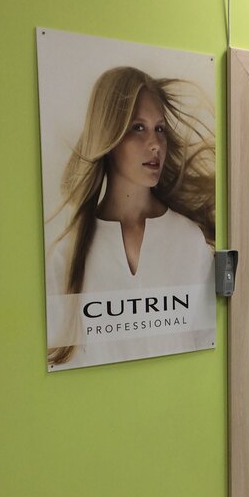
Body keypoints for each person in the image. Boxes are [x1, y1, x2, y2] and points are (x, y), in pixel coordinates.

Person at [45, 66, 216, 367]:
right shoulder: (67, 256)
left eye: (159, 129)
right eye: (138, 127)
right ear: (109, 136)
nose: (155, 144)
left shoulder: (189, 240)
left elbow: (205, 350)